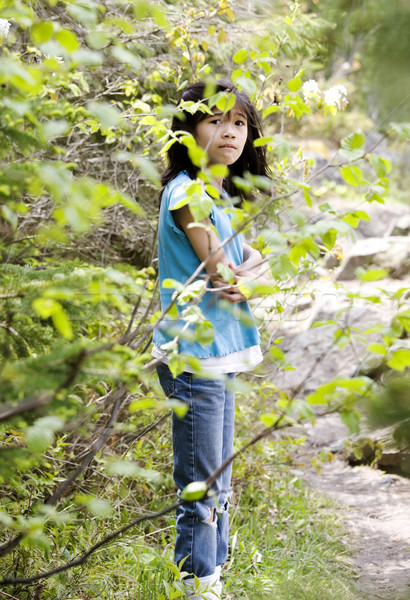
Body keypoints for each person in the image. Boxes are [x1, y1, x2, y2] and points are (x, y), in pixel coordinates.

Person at [152, 80, 271, 599]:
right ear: (189, 131)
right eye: (216, 120)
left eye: (240, 122)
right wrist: (248, 272)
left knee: (218, 482)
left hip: (217, 354)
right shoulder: (186, 192)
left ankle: (213, 578)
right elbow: (232, 279)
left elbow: (251, 270)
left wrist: (248, 271)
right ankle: (198, 586)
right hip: (193, 357)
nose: (230, 131)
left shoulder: (217, 195)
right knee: (200, 487)